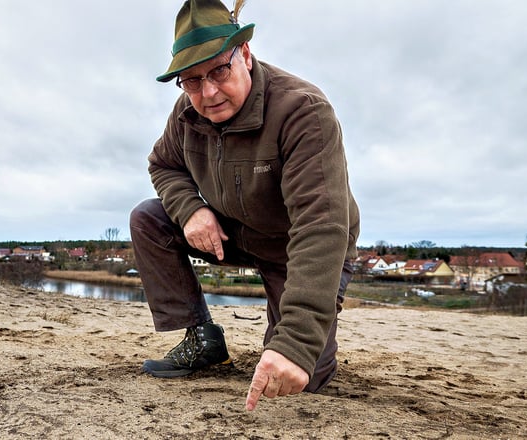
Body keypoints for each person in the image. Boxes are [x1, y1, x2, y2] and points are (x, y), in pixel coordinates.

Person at [130, 0, 360, 412]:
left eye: (219, 70)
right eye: (192, 80)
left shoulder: (303, 111)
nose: (209, 92)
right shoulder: (186, 112)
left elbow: (320, 226)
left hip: (301, 248)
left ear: (246, 55)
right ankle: (202, 339)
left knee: (304, 374)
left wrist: (294, 344)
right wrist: (191, 210)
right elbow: (162, 165)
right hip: (234, 231)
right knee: (149, 217)